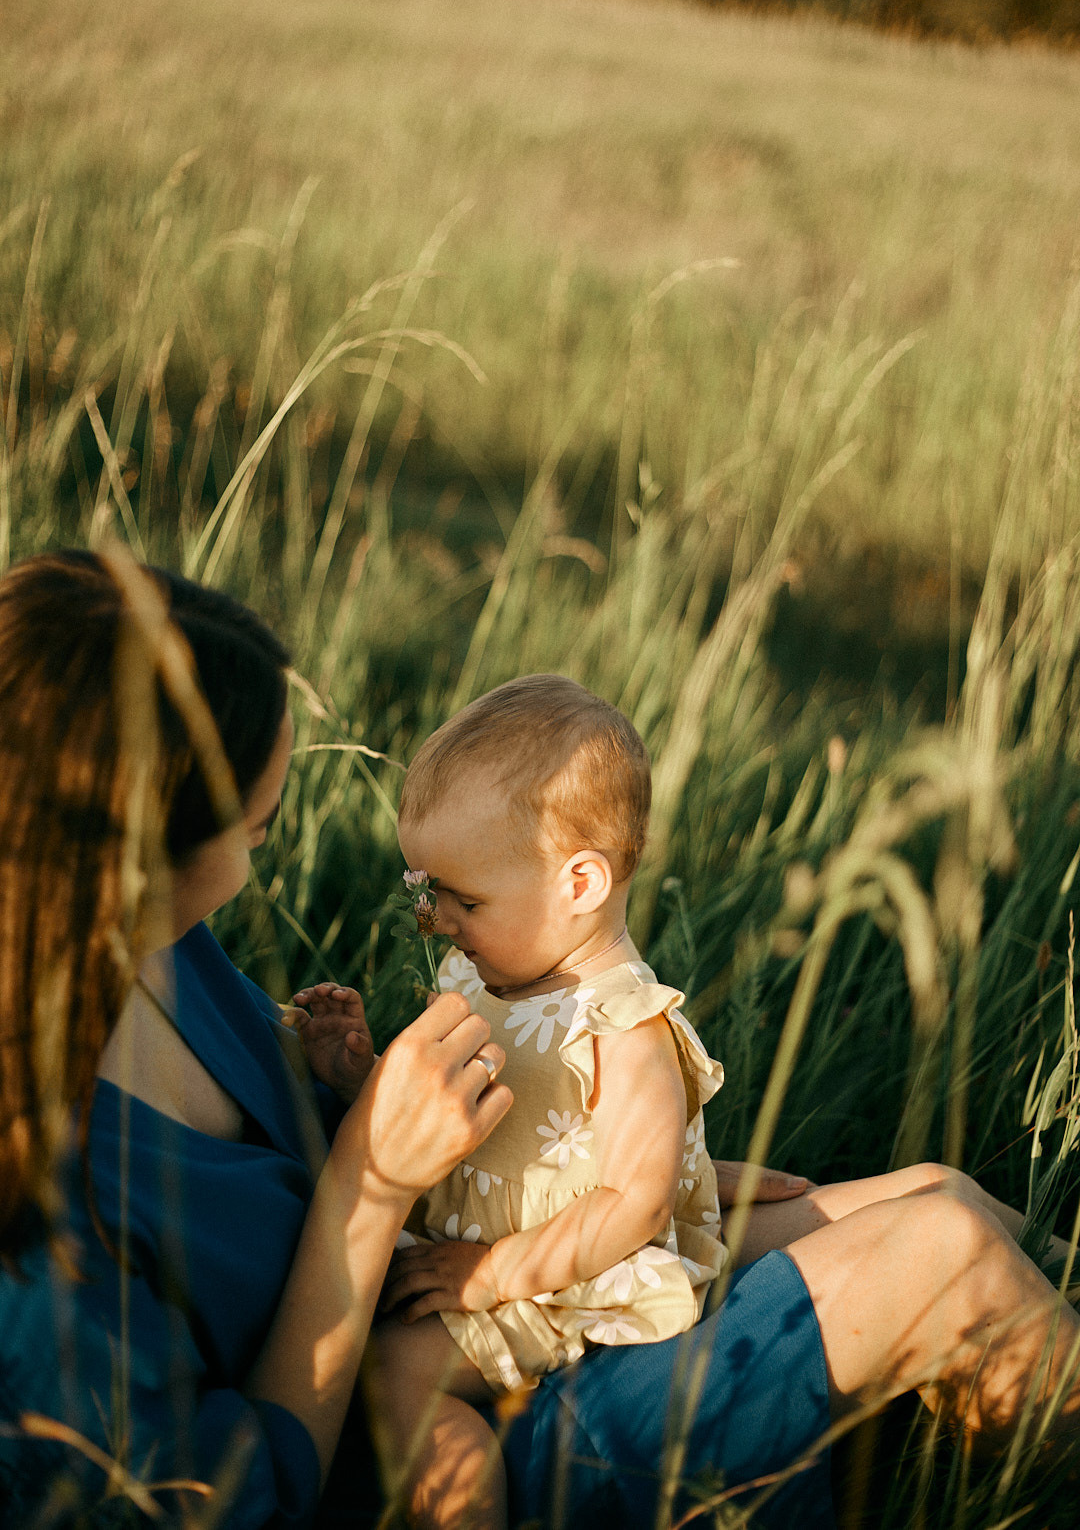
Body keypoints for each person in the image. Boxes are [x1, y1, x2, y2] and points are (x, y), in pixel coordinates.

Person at [0, 550, 1076, 1530]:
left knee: (947, 1195)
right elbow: (222, 1505)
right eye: (257, 831)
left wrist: (649, 1164)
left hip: (500, 1268)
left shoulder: (155, 954)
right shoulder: (37, 1236)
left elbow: (373, 1140)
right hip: (452, 1414)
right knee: (950, 1262)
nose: (259, 865)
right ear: (132, 859)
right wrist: (370, 1183)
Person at [299, 677, 727, 1530]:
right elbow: (463, 1109)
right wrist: (363, 1074)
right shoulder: (488, 966)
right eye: (429, 894)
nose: (437, 922)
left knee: (394, 1373)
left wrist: (494, 1277)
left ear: (580, 883)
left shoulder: (623, 1026)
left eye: (464, 900)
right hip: (464, 1244)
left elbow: (634, 1204)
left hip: (557, 1273)